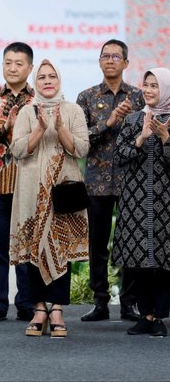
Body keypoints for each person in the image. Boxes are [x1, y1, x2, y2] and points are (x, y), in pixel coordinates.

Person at [10, 59, 89, 337]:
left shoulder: (73, 110)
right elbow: (17, 150)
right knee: (35, 247)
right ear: (35, 82)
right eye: (41, 77)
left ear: (59, 80)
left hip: (63, 191)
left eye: (51, 76)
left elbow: (81, 149)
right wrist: (40, 129)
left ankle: (57, 308)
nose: (47, 81)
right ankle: (40, 308)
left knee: (60, 247)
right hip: (32, 190)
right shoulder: (26, 112)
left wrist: (61, 127)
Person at [77, 39, 144, 322]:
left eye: (116, 56)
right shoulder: (87, 97)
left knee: (129, 243)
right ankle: (100, 301)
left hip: (133, 180)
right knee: (98, 243)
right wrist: (109, 123)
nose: (110, 60)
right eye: (105, 56)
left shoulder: (139, 97)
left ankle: (129, 302)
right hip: (97, 180)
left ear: (126, 63)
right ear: (99, 61)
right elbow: (81, 138)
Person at [0, 42, 34, 323]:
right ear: (2, 66)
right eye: (8, 62)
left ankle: (26, 303)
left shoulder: (39, 101)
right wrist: (5, 127)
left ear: (30, 68)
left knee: (25, 245)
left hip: (29, 184)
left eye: (19, 63)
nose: (13, 68)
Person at [112, 67, 170, 337]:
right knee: (139, 262)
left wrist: (165, 137)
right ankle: (145, 315)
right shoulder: (134, 119)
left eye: (155, 86)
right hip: (134, 203)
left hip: (165, 205)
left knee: (161, 262)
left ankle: (159, 316)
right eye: (146, 84)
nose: (148, 90)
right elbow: (119, 157)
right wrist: (142, 138)